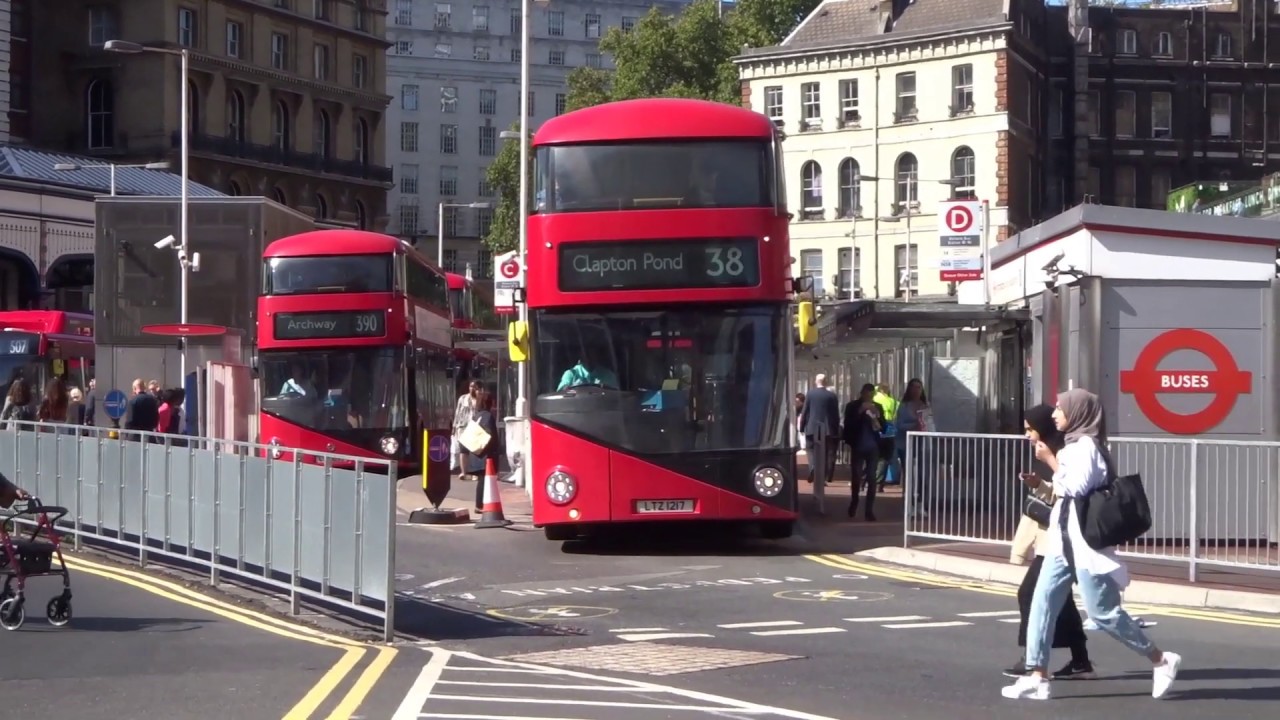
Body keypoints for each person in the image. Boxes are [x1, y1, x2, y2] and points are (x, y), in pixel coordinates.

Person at [1002, 388, 1181, 701]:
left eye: (1060, 408)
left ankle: (1161, 659)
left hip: (1085, 543)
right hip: (1062, 540)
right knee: (1042, 603)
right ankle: (1037, 676)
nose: (1055, 413)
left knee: (1103, 614)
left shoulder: (1085, 446)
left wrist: (1049, 460)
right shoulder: (1074, 445)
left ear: (1078, 413)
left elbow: (1076, 487)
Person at [1005, 404, 1093, 680]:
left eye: (1030, 429)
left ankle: (1032, 661)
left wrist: (1049, 462)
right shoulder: (1052, 450)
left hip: (1059, 540)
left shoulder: (1064, 451)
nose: (1027, 435)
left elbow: (1071, 492)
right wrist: (1038, 484)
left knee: (1031, 594)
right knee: (1062, 601)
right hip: (1054, 539)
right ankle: (1080, 661)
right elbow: (1057, 492)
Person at [842, 383, 883, 521]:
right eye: (867, 393)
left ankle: (869, 510)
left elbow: (882, 427)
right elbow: (848, 425)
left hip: (873, 446)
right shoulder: (852, 406)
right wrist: (860, 411)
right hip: (858, 446)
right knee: (856, 476)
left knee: (872, 478)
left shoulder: (877, 407)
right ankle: (854, 502)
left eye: (872, 394)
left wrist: (877, 417)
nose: (869, 396)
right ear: (862, 393)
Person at [799, 374, 840, 509]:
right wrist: (835, 429)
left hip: (812, 427)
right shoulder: (831, 396)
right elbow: (835, 414)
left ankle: (813, 467)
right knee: (826, 453)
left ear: (816, 382)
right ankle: (823, 475)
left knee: (811, 450)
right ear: (826, 382)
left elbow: (805, 411)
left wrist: (802, 426)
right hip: (827, 429)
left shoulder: (810, 394)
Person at [895, 378, 929, 515]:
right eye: (914, 387)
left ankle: (921, 502)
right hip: (906, 444)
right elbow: (899, 425)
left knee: (922, 475)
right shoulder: (904, 406)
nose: (916, 390)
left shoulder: (925, 405)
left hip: (922, 444)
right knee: (910, 475)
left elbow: (930, 421)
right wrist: (913, 426)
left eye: (919, 387)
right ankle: (910, 504)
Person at [466, 385, 500, 512]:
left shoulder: (477, 415)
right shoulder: (488, 416)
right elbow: (490, 436)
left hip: (476, 453)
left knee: (482, 480)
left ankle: (481, 504)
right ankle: (479, 505)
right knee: (483, 481)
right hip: (484, 455)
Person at [453, 381, 479, 478]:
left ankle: (474, 472)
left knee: (474, 451)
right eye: (471, 386)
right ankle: (464, 472)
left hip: (475, 427)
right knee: (463, 450)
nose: (472, 388)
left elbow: (479, 410)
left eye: (474, 387)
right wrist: (454, 427)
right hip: (463, 427)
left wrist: (476, 398)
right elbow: (458, 412)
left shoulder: (479, 398)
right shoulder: (463, 399)